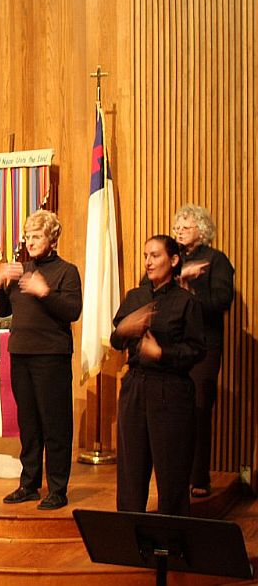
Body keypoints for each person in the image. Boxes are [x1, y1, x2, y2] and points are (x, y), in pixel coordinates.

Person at [0, 210, 81, 511]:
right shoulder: (21, 269)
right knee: (28, 423)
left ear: (52, 239)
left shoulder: (66, 271)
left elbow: (72, 310)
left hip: (51, 356)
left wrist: (44, 292)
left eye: (37, 236)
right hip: (21, 354)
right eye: (28, 236)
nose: (30, 242)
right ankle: (28, 484)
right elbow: (3, 310)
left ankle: (57, 488)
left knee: (54, 424)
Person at [112, 235, 205, 515]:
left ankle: (173, 544)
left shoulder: (186, 302)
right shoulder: (135, 297)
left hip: (170, 391)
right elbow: (116, 340)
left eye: (155, 255)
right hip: (135, 387)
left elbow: (196, 351)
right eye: (145, 256)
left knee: (172, 472)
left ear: (174, 260)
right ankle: (129, 539)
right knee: (131, 471)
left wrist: (162, 353)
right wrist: (124, 330)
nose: (148, 262)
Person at [172, 204, 235, 498]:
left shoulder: (216, 260)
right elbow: (148, 288)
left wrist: (189, 287)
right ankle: (173, 476)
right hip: (173, 346)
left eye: (186, 226)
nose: (179, 231)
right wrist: (178, 275)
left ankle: (199, 478)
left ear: (203, 230)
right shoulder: (172, 260)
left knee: (198, 410)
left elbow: (221, 302)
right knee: (173, 412)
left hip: (204, 348)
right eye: (177, 226)